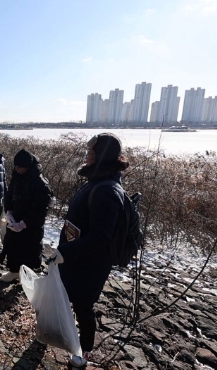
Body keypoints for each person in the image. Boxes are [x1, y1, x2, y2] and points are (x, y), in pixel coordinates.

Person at [49, 133, 130, 367]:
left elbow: (101, 237)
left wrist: (67, 251)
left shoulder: (108, 191)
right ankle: (61, 335)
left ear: (102, 158)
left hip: (90, 265)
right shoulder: (96, 181)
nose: (86, 157)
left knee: (84, 307)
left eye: (91, 154)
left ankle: (83, 353)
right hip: (76, 258)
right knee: (67, 298)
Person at [0, 149, 53, 283]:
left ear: (28, 168)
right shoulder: (17, 175)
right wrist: (9, 211)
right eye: (15, 167)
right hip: (15, 218)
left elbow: (40, 210)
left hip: (31, 225)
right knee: (12, 246)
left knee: (29, 249)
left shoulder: (41, 184)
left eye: (20, 167)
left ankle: (28, 276)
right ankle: (13, 272)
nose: (17, 169)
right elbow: (9, 193)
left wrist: (23, 224)